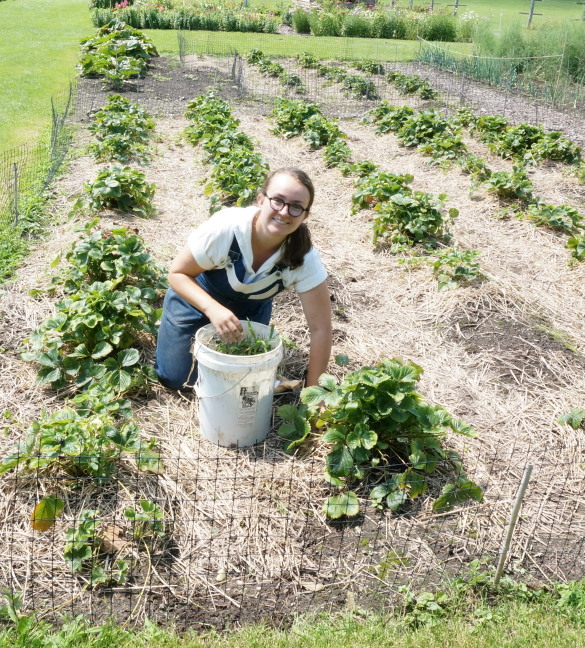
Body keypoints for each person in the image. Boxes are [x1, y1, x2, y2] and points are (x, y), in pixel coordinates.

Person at [155, 167, 332, 390]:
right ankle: (262, 381)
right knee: (177, 379)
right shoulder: (227, 229)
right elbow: (177, 273)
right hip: (195, 300)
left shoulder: (303, 257)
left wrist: (315, 393)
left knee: (241, 372)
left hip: (249, 314)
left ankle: (261, 380)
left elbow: (320, 329)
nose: (285, 212)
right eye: (278, 200)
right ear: (261, 199)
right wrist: (213, 309)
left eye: (296, 206)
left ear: (305, 215)